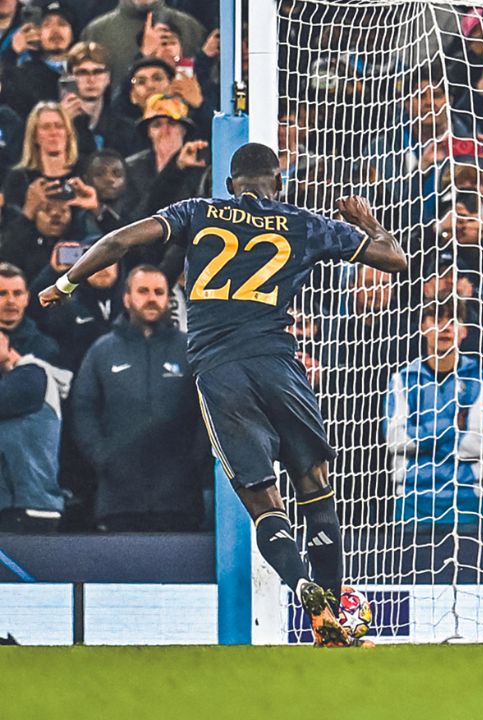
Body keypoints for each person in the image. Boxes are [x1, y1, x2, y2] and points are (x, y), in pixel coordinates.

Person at [38, 142, 408, 646]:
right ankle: (331, 606)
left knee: (264, 503)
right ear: (278, 184)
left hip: (221, 373)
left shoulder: (197, 212)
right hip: (280, 364)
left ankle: (302, 586)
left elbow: (120, 241)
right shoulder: (304, 222)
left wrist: (64, 284)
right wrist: (367, 221)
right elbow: (396, 259)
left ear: (231, 185)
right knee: (315, 484)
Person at [70, 265, 203, 531]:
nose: (152, 298)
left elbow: (206, 412)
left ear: (168, 298)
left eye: (159, 292)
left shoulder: (189, 349)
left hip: (180, 500)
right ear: (127, 297)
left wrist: (194, 461)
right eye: (143, 291)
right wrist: (102, 456)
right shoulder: (102, 351)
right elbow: (82, 409)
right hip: (119, 500)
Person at [384, 299, 483, 526]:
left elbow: (476, 445)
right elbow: (396, 439)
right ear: (423, 327)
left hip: (466, 500)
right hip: (411, 500)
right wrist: (451, 425)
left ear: (464, 331)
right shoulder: (402, 380)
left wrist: (419, 439)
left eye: (453, 321)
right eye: (436, 320)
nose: (445, 328)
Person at [0, 324, 69, 532]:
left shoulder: (34, 373)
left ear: (6, 341)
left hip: (31, 507)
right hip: (11, 506)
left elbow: (6, 399)